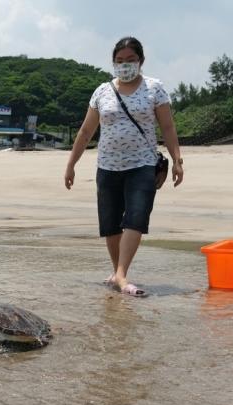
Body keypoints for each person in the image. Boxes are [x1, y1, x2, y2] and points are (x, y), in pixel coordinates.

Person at [64, 36, 183, 298]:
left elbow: (167, 126)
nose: (125, 65)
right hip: (107, 166)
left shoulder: (155, 88)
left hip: (142, 163)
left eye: (130, 60)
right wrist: (71, 164)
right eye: (119, 61)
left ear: (141, 61)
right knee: (111, 222)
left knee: (136, 217)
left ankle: (121, 274)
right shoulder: (102, 91)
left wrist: (177, 160)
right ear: (113, 63)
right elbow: (86, 132)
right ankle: (118, 272)